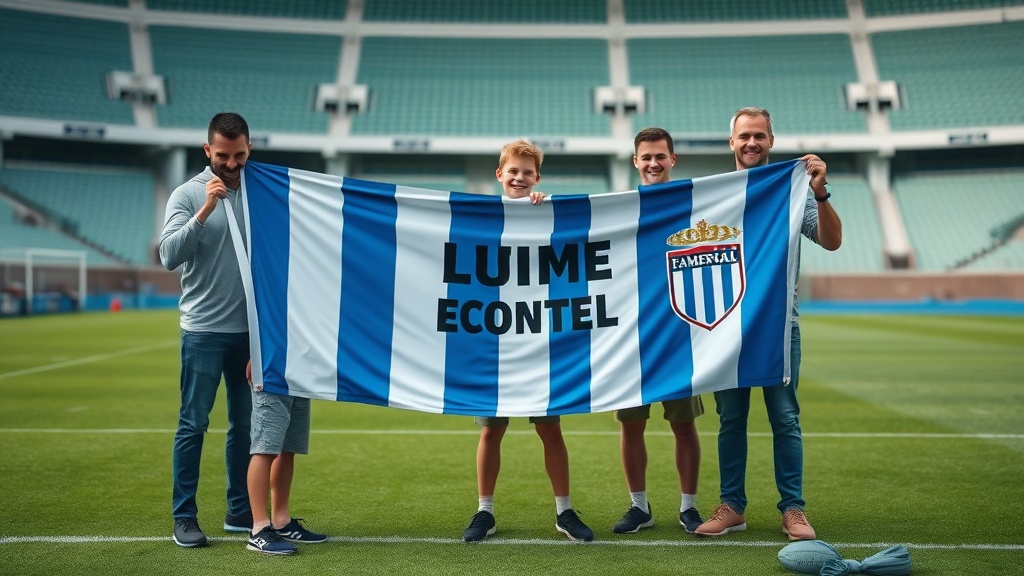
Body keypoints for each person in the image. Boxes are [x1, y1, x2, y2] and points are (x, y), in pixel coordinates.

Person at [695, 107, 842, 541]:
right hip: (725, 326)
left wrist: (820, 192)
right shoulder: (714, 195)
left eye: (759, 136)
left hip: (779, 325)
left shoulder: (792, 191)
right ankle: (732, 506)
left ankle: (793, 509)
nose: (752, 143)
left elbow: (832, 242)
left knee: (784, 418)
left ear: (771, 142)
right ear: (732, 143)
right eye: (744, 136)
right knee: (731, 419)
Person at [461, 140, 594, 543]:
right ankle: (485, 512)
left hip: (540, 340)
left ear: (538, 178)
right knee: (491, 431)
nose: (520, 178)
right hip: (494, 340)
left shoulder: (544, 211)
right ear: (499, 174)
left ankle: (564, 511)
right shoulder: (481, 215)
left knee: (550, 429)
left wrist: (546, 208)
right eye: (513, 172)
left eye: (528, 173)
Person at [160, 112, 254, 547]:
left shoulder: (260, 192)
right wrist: (206, 209)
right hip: (202, 331)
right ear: (207, 151)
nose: (232, 165)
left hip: (250, 333)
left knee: (246, 424)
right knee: (193, 423)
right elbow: (168, 256)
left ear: (248, 148)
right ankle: (185, 516)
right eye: (223, 156)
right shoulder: (186, 194)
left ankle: (239, 510)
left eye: (239, 155)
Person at [611, 128, 706, 535]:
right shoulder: (617, 208)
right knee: (631, 426)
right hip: (630, 339)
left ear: (673, 160)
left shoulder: (693, 203)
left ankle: (689, 507)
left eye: (660, 157)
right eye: (645, 157)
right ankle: (639, 507)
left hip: (678, 336)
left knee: (684, 426)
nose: (653, 163)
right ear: (635, 162)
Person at [244, 360, 327, 555]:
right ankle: (259, 529)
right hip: (271, 366)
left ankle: (282, 522)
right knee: (265, 448)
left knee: (288, 447)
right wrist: (255, 354)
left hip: (298, 371)